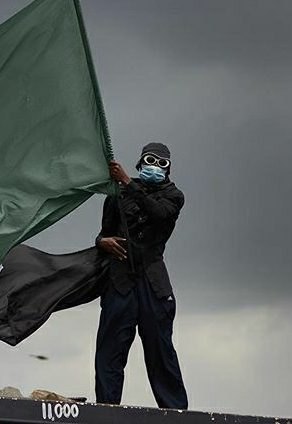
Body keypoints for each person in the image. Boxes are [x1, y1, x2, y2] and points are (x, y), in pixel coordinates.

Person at [94, 142, 187, 409]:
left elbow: (159, 214)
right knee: (110, 349)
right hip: (121, 281)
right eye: (150, 160)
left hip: (153, 283)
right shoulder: (117, 194)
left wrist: (127, 182)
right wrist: (103, 242)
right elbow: (103, 232)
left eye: (161, 163)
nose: (155, 166)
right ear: (140, 161)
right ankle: (107, 409)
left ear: (168, 168)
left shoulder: (174, 196)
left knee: (160, 350)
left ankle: (175, 411)